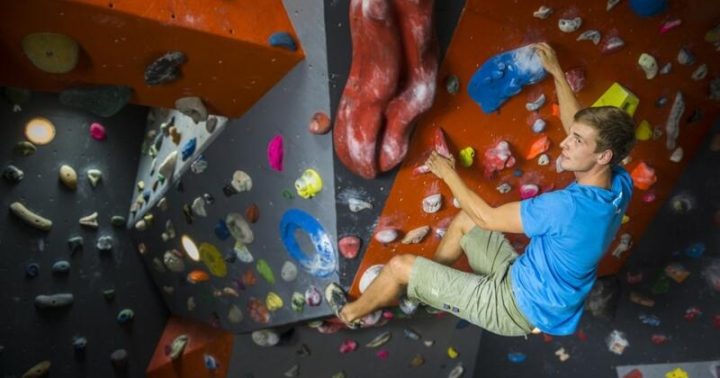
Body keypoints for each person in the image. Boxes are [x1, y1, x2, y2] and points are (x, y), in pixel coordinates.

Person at [325, 42, 636, 336]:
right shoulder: (620, 184)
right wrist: (556, 73)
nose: (566, 143)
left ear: (603, 156)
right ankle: (423, 290)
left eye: (576, 141)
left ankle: (349, 316)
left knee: (397, 267)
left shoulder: (565, 208)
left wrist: (448, 174)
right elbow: (578, 126)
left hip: (512, 308)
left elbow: (488, 218)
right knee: (464, 222)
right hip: (530, 282)